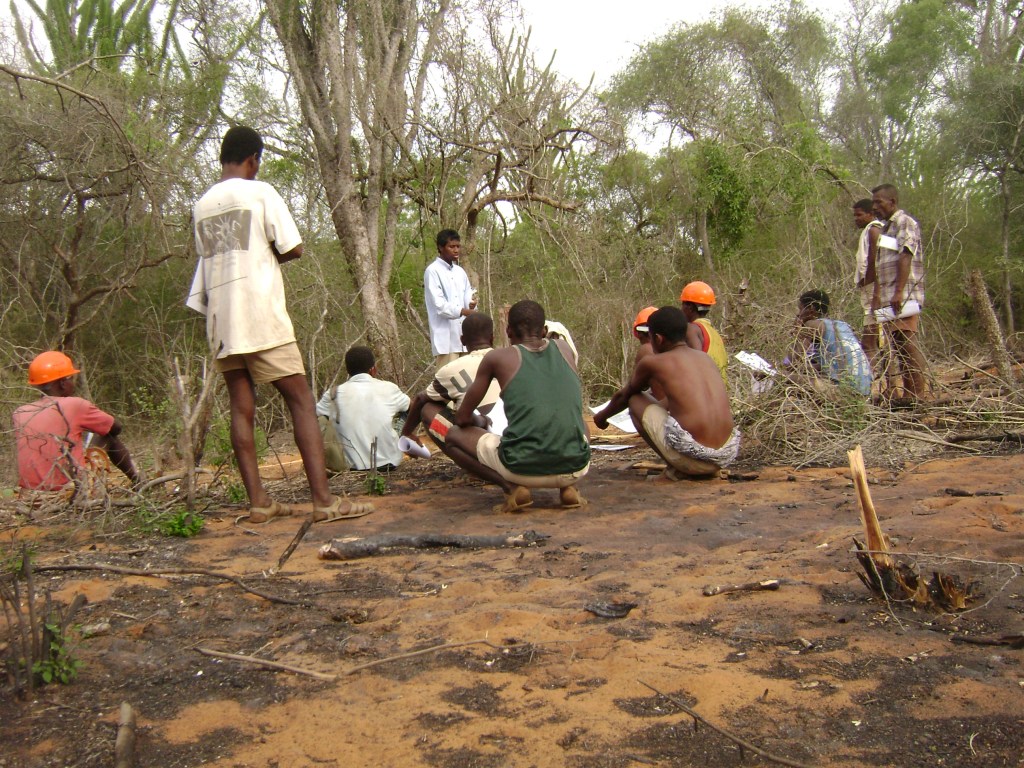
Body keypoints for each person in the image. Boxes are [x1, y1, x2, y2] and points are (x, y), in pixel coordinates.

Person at [187, 125, 371, 524]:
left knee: (241, 406)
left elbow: (213, 259)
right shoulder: (260, 192)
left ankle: (259, 502)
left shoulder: (202, 205)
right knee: (300, 399)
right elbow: (293, 247)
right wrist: (265, 255)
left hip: (221, 321)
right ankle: (323, 501)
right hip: (258, 313)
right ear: (253, 159)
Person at [446, 300, 590, 513]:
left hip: (519, 468)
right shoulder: (564, 349)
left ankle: (512, 488)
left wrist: (481, 421)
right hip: (576, 467)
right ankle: (570, 487)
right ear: (544, 330)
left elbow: (462, 418)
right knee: (580, 423)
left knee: (452, 436)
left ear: (508, 331)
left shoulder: (497, 358)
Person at [595, 307, 738, 479]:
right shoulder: (705, 358)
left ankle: (676, 469)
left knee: (635, 399)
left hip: (694, 460)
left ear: (658, 338)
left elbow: (623, 397)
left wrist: (601, 418)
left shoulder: (653, 363)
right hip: (725, 455)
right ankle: (701, 469)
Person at [13, 351, 140, 491]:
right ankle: (139, 482)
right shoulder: (75, 404)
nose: (73, 383)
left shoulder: (20, 412)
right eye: (71, 378)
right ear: (62, 383)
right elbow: (116, 428)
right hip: (72, 489)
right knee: (108, 435)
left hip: (31, 493)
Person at [400, 313, 502, 453]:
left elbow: (420, 399)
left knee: (428, 408)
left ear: (462, 340)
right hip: (517, 436)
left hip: (480, 444)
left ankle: (465, 457)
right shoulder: (512, 361)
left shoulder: (451, 369)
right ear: (492, 338)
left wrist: (406, 432)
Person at [872, 183, 928, 401]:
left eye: (879, 202)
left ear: (892, 202)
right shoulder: (886, 229)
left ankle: (918, 395)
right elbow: (883, 263)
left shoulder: (905, 222)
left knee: (907, 343)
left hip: (903, 295)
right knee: (898, 345)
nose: (875, 207)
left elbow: (906, 255)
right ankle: (908, 394)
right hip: (890, 298)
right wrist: (879, 296)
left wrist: (898, 292)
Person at [317, 346, 410, 471]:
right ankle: (399, 445)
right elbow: (411, 406)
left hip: (353, 467)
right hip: (390, 463)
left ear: (348, 371)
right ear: (373, 369)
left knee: (323, 419)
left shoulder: (333, 393)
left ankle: (333, 460)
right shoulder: (389, 388)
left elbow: (314, 417)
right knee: (405, 411)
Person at [785, 290, 872, 396]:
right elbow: (831, 365)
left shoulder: (812, 325)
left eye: (800, 309)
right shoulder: (843, 326)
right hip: (864, 390)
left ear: (811, 309)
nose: (798, 314)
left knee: (784, 376)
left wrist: (798, 333)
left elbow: (792, 364)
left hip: (843, 390)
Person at [424, 229, 477, 367]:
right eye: (451, 246)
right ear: (441, 247)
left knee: (468, 377)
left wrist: (472, 304)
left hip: (464, 338)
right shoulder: (433, 271)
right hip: (446, 340)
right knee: (448, 378)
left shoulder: (460, 271)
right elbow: (439, 305)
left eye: (458, 246)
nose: (456, 250)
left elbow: (468, 296)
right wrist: (464, 311)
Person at [853, 198, 883, 368]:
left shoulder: (874, 230)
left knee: (869, 342)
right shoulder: (868, 231)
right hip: (870, 290)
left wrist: (871, 286)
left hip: (874, 291)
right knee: (878, 340)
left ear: (871, 214)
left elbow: (875, 261)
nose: (856, 219)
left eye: (859, 215)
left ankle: (869, 378)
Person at [680, 281, 728, 382]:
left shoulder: (691, 329)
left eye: (683, 304)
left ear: (690, 307)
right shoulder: (714, 333)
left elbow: (696, 364)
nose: (681, 309)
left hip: (705, 389)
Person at [631, 305, 664, 400]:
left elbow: (632, 388)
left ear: (639, 334)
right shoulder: (679, 351)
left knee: (634, 399)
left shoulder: (646, 350)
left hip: (665, 407)